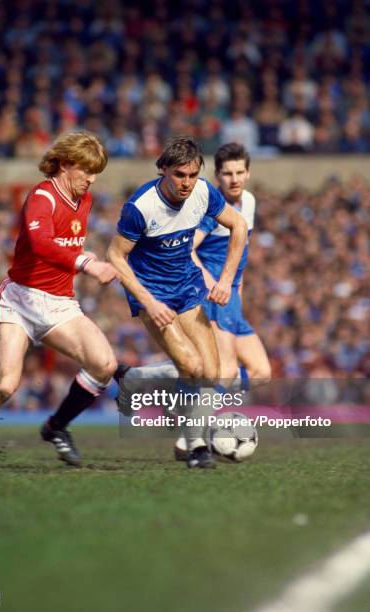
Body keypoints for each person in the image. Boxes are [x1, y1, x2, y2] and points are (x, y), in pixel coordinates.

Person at [0, 131, 118, 473]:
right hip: (20, 301)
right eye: (86, 170)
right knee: (5, 385)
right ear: (65, 164)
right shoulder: (42, 196)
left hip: (60, 303)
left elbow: (64, 243)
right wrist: (85, 262)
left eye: (96, 172)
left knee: (104, 364)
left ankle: (56, 426)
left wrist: (81, 257)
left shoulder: (85, 199)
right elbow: (41, 242)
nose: (92, 179)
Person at [107, 136, 247, 468]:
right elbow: (115, 255)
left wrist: (225, 280)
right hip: (152, 292)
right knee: (191, 367)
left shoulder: (203, 192)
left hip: (186, 286)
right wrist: (148, 302)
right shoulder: (140, 207)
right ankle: (196, 447)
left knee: (212, 373)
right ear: (163, 171)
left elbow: (238, 225)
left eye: (193, 175)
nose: (187, 183)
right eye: (180, 175)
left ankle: (135, 381)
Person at [173, 142, 271, 459]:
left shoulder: (250, 202)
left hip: (232, 298)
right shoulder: (210, 207)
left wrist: (236, 294)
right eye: (227, 173)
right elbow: (188, 252)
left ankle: (186, 397)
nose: (234, 179)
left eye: (240, 172)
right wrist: (213, 283)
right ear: (216, 175)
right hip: (210, 296)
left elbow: (239, 253)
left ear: (248, 172)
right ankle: (191, 436)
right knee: (225, 371)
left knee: (260, 372)